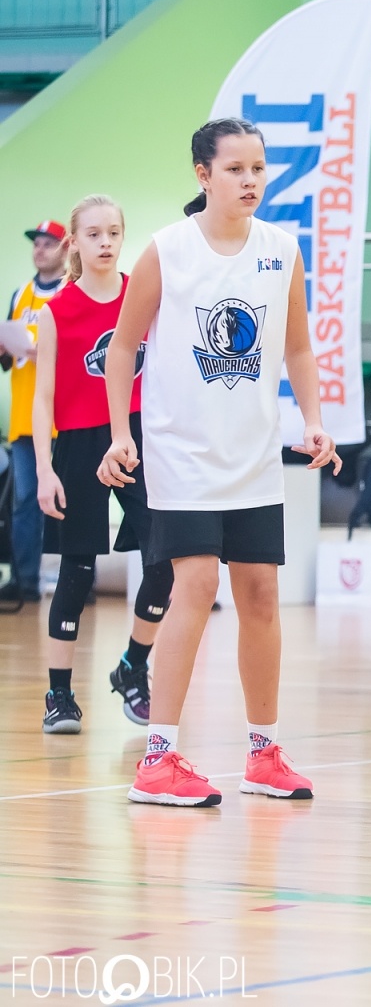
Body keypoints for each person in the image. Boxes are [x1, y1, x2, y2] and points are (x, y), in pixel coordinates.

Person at [97, 118, 341, 807]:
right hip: (180, 452)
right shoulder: (167, 251)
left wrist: (314, 421)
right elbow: (123, 348)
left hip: (254, 456)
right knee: (195, 585)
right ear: (203, 175)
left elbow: (297, 348)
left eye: (259, 168)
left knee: (260, 595)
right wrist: (122, 434)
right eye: (236, 169)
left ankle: (263, 752)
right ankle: (159, 758)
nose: (251, 180)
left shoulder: (281, 249)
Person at [33, 195, 172, 734]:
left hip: (138, 437)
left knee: (165, 558)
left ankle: (133, 667)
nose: (106, 242)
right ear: (75, 242)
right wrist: (45, 469)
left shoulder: (144, 294)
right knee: (77, 570)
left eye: (114, 232)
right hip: (78, 446)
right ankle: (59, 695)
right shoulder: (56, 312)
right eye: (93, 234)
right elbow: (42, 398)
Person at [1, 219, 68, 602]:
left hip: (67, 418)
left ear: (64, 249)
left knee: (72, 500)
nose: (40, 249)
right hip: (27, 418)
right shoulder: (20, 294)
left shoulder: (72, 292)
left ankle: (77, 581)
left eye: (48, 243)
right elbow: (9, 363)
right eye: (37, 243)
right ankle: (25, 580)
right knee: (25, 501)